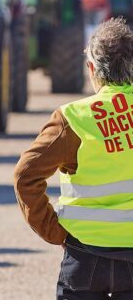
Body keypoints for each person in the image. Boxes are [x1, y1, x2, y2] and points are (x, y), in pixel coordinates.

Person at [14, 17, 133, 299]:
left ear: (92, 69)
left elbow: (25, 176)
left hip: (84, 258)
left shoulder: (73, 118)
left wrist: (54, 231)